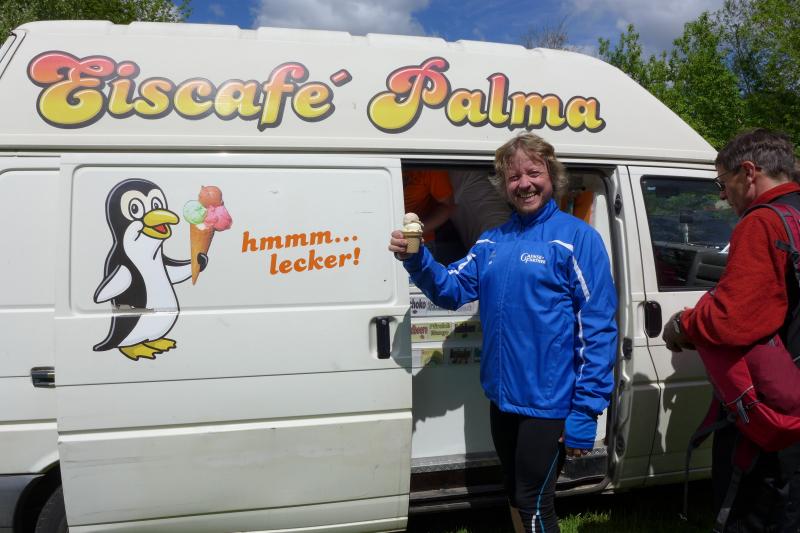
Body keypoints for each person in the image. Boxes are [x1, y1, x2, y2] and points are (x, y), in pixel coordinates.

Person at [388, 133, 617, 533]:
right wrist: (417, 257)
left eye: (534, 173)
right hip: (503, 399)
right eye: (513, 177)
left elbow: (597, 329)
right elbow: (451, 289)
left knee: (533, 502)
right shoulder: (492, 240)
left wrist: (584, 411)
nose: (524, 183)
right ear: (504, 185)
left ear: (552, 175)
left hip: (549, 403)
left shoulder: (577, 239)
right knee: (513, 491)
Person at [663, 128, 800, 531]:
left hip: (775, 411)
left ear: (749, 172)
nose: (723, 195)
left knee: (756, 512)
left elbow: (731, 320)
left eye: (723, 183)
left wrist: (683, 323)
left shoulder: (763, 223)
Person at [402, 168, 455, 244]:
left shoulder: (430, 168)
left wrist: (416, 231)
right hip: (385, 233)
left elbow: (447, 206)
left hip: (419, 239)